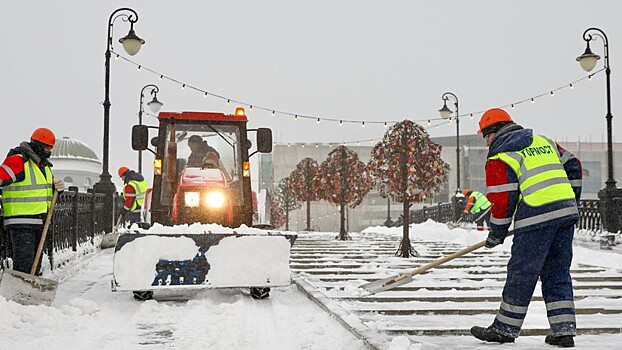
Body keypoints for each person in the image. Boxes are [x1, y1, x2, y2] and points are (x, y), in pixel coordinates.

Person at [470, 108, 582, 348]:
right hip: (565, 215)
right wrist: (571, 200)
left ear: (492, 133)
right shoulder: (544, 141)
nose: (486, 142)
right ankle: (563, 331)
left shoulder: (500, 155)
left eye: (484, 136)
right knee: (557, 272)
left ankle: (504, 329)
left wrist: (496, 234)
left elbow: (502, 200)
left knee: (522, 273)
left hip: (536, 217)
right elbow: (575, 165)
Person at [0, 128, 64, 275]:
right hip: (21, 221)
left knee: (35, 264)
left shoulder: (43, 166)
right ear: (37, 145)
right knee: (24, 263)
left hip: (39, 221)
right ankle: (18, 295)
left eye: (51, 148)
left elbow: (43, 193)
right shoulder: (19, 160)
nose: (49, 151)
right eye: (47, 147)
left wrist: (57, 190)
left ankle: (28, 293)